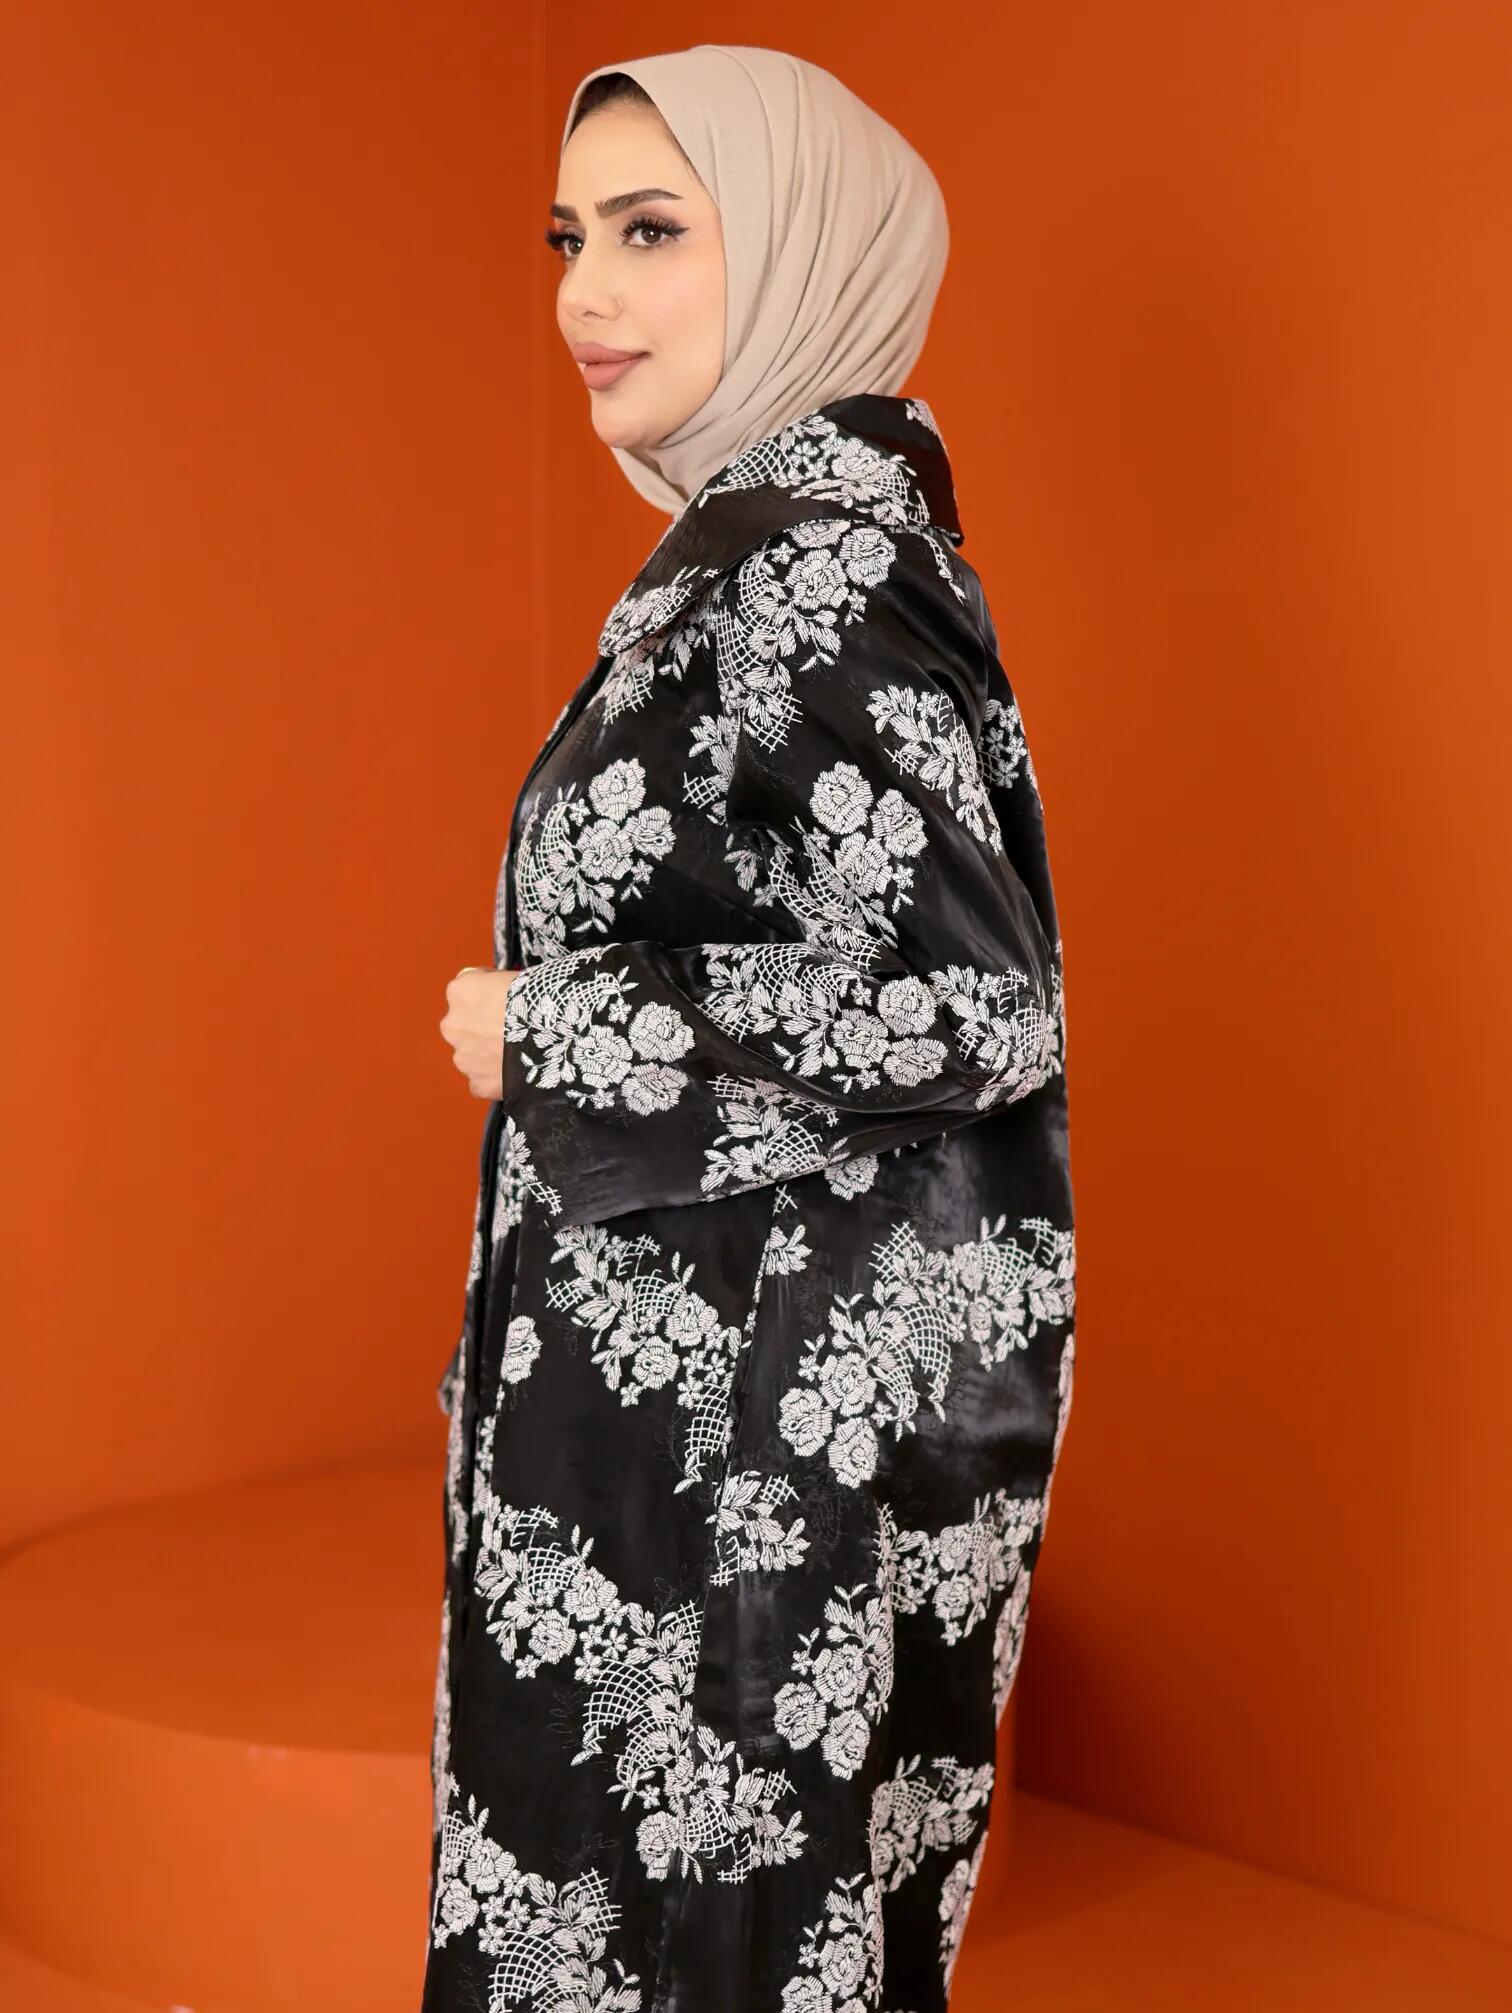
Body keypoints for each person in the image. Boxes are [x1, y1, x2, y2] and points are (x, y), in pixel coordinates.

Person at [426, 45, 1077, 2013]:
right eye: (568, 239)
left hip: (744, 1461)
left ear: (797, 248)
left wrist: (564, 1028)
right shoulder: (752, 550)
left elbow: (972, 994)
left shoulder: (817, 564)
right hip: (678, 1432)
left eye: (651, 232)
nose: (584, 295)